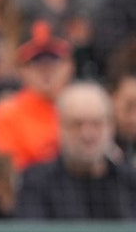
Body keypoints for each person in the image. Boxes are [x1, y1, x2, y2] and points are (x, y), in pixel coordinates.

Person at [14, 81, 136, 219]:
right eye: (76, 124)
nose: (87, 134)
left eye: (96, 124)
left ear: (110, 126)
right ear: (60, 128)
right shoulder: (37, 182)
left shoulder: (129, 181)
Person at [0, 25, 76, 171]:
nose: (46, 70)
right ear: (21, 70)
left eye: (54, 60)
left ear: (70, 66)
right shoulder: (7, 113)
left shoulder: (85, 109)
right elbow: (14, 172)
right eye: (36, 62)